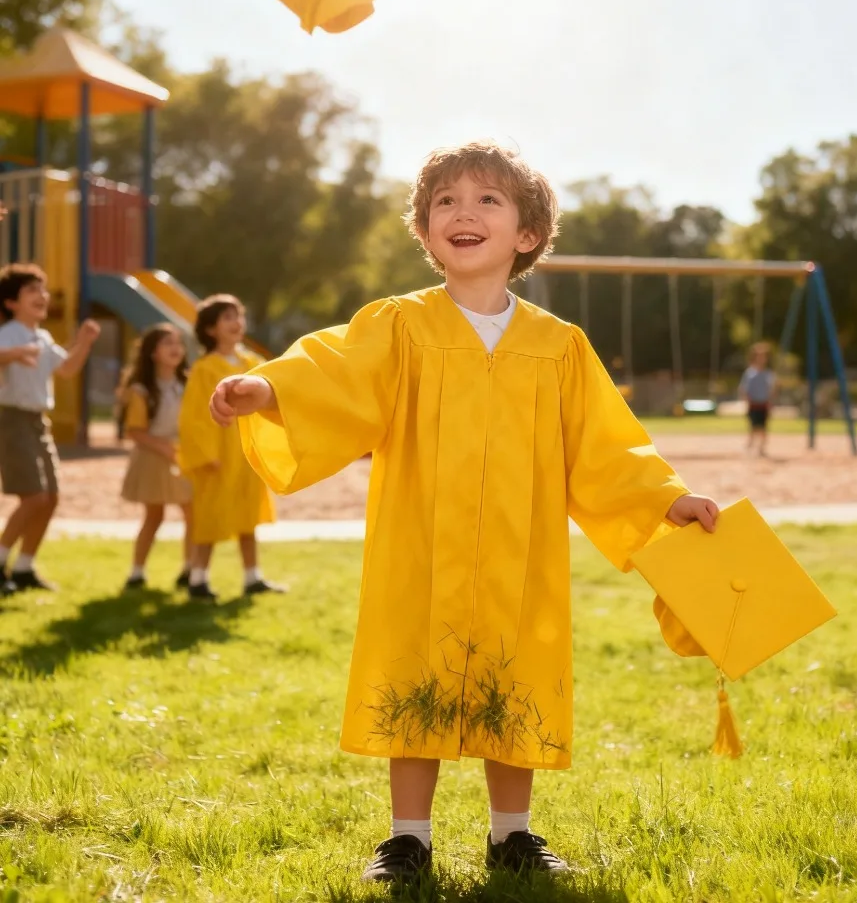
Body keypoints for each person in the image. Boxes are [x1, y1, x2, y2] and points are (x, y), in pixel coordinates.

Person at [208, 141, 720, 885]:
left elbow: (605, 448)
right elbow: (336, 371)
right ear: (423, 232)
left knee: (514, 675)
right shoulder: (400, 326)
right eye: (444, 202)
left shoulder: (560, 348)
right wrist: (268, 390)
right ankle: (406, 839)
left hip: (520, 551)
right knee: (417, 665)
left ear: (527, 234)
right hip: (420, 541)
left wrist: (667, 498)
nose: (463, 213)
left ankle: (513, 834)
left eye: (487, 200)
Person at [0, 262, 100, 592]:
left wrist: (84, 342)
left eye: (42, 289)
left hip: (38, 422)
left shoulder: (42, 337)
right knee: (34, 497)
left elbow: (68, 369)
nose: (42, 295)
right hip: (11, 419)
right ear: (11, 302)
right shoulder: (8, 334)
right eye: (32, 290)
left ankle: (25, 568)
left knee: (51, 496)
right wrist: (12, 354)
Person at [178, 294, 285, 601]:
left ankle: (253, 576)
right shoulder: (204, 369)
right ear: (211, 329)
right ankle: (198, 577)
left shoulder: (253, 364)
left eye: (239, 315)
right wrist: (205, 454)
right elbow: (195, 415)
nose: (237, 322)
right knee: (210, 517)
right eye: (227, 317)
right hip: (219, 455)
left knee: (248, 515)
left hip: (247, 452)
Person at [119, 324, 194, 591]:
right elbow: (135, 431)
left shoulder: (188, 384)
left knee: (192, 512)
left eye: (178, 343)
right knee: (154, 514)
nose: (176, 348)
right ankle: (136, 572)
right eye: (167, 343)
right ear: (152, 352)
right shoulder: (141, 390)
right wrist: (163, 448)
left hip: (180, 456)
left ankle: (190, 570)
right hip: (153, 457)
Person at [738, 342, 777, 457]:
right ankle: (751, 443)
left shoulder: (768, 373)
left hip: (764, 403)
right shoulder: (750, 373)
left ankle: (761, 448)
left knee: (763, 427)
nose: (761, 359)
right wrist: (746, 399)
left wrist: (771, 401)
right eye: (759, 356)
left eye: (763, 357)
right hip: (753, 403)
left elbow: (771, 389)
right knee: (753, 425)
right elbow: (744, 388)